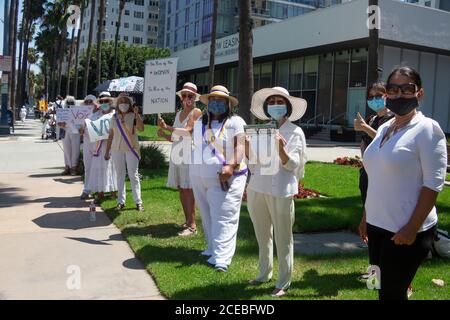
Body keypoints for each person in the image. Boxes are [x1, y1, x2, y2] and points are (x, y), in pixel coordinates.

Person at [360, 66, 447, 300]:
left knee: (392, 293)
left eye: (407, 89)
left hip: (405, 231)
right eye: (393, 89)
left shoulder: (427, 129)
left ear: (420, 93)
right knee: (376, 284)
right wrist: (366, 216)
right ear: (386, 93)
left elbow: (433, 184)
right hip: (377, 226)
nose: (399, 95)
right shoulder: (385, 127)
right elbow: (376, 176)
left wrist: (411, 228)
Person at [158, 85, 248, 272]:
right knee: (207, 216)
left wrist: (230, 165)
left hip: (225, 178)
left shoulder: (235, 122)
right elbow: (191, 141)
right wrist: (166, 130)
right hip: (199, 176)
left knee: (223, 216)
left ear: (228, 104)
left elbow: (240, 146)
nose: (216, 103)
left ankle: (222, 258)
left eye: (220, 101)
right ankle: (212, 248)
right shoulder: (201, 122)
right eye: (213, 100)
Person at [245, 87, 307, 297]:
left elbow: (294, 165)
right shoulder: (259, 130)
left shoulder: (295, 131)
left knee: (283, 236)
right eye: (271, 102)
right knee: (262, 235)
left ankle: (283, 281)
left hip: (281, 190)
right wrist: (247, 150)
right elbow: (253, 165)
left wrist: (281, 150)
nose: (275, 105)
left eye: (279, 101)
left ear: (287, 106)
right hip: (257, 188)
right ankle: (264, 273)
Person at [157, 82, 202, 236]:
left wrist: (167, 127)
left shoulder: (196, 112)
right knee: (181, 188)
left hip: (189, 154)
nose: (187, 98)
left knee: (188, 189)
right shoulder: (178, 114)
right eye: (184, 95)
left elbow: (188, 131)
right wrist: (165, 135)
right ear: (181, 98)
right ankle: (187, 220)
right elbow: (176, 137)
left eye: (190, 96)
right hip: (177, 153)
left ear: (195, 98)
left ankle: (193, 225)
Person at [105, 94, 145, 212]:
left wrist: (137, 114)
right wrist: (107, 151)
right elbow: (111, 135)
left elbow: (141, 128)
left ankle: (138, 202)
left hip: (131, 148)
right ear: (117, 104)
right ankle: (121, 202)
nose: (123, 104)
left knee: (134, 175)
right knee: (120, 175)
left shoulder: (133, 115)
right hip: (117, 149)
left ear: (130, 104)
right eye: (121, 102)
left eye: (125, 102)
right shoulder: (114, 117)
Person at [86, 95, 117, 204]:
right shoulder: (95, 116)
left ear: (110, 102)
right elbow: (88, 126)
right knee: (99, 167)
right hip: (99, 145)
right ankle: (100, 192)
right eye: (102, 101)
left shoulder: (115, 115)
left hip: (112, 144)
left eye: (106, 101)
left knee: (111, 167)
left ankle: (113, 191)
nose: (104, 102)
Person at [79, 94, 101, 200]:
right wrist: (80, 130)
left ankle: (97, 190)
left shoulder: (101, 113)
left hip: (98, 143)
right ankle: (86, 190)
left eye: (90, 102)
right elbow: (79, 128)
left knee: (97, 167)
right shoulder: (82, 114)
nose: (88, 104)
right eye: (86, 102)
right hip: (87, 142)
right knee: (87, 167)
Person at [58, 96, 81, 176]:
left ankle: (74, 168)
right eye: (68, 103)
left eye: (71, 103)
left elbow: (81, 121)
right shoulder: (63, 111)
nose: (70, 104)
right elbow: (59, 123)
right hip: (65, 131)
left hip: (75, 132)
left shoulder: (78, 110)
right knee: (66, 150)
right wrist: (61, 124)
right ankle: (67, 167)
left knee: (75, 149)